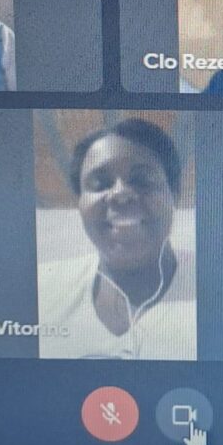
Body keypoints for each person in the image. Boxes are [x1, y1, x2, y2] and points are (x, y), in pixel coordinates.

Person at [37, 117, 196, 360]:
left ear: (174, 193)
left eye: (142, 180)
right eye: (100, 183)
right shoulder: (41, 291)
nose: (120, 193)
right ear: (79, 202)